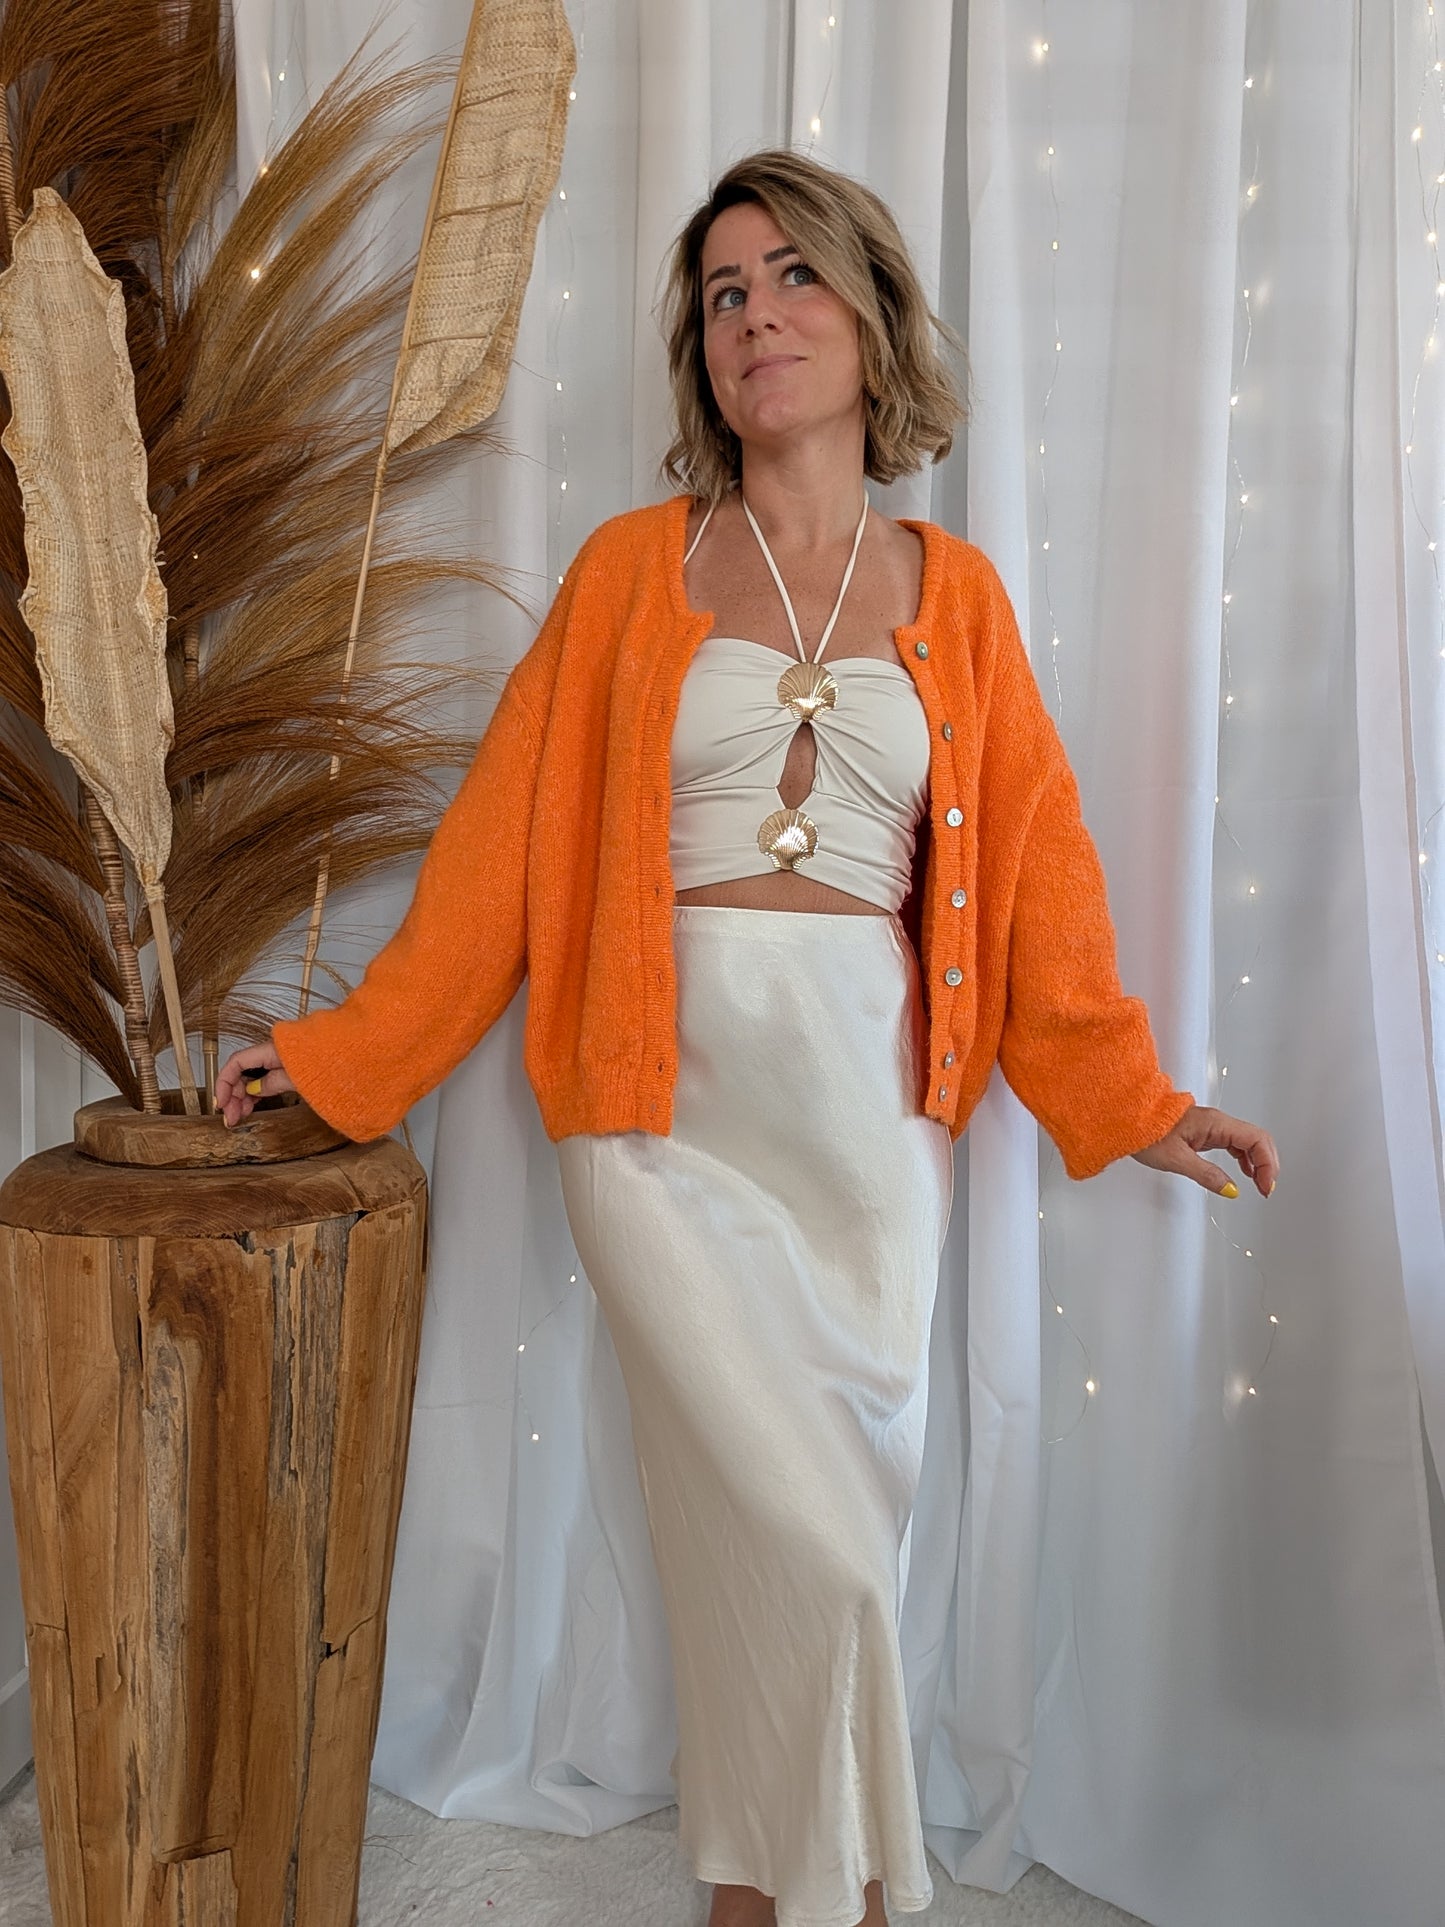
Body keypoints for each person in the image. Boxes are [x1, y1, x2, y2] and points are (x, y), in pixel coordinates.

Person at [216, 148, 1279, 1927]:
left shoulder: (956, 595)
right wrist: (346, 1058)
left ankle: (758, 1894)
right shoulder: (632, 573)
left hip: (866, 1127)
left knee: (811, 1543)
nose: (755, 316)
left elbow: (1039, 881)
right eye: (723, 292)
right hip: (658, 1109)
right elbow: (497, 857)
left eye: (792, 276)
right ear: (700, 354)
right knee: (797, 1541)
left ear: (868, 318)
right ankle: (839, 1897)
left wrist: (1136, 1100)